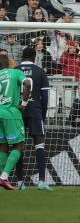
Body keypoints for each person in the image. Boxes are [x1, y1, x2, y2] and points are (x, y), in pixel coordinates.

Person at [14, 47, 52, 191]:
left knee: (18, 146)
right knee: (39, 145)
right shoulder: (40, 71)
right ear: (35, 57)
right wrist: (42, 115)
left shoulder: (15, 70)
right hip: (35, 111)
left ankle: (20, 182)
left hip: (18, 112)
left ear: (22, 56)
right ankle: (41, 181)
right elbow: (45, 97)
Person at [0, 54, 31, 190]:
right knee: (19, 145)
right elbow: (28, 83)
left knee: (2, 146)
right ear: (9, 63)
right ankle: (3, 177)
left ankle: (1, 178)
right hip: (11, 112)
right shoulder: (15, 72)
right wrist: (24, 103)